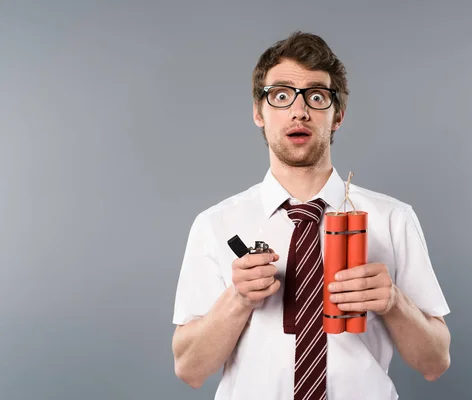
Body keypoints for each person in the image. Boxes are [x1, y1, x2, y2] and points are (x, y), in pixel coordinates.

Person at [171, 31, 451, 400]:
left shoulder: (393, 219)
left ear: (337, 116)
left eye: (317, 96)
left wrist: (394, 302)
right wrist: (238, 299)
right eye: (281, 95)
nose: (299, 111)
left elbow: (435, 362)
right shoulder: (215, 225)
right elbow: (190, 370)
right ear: (259, 112)